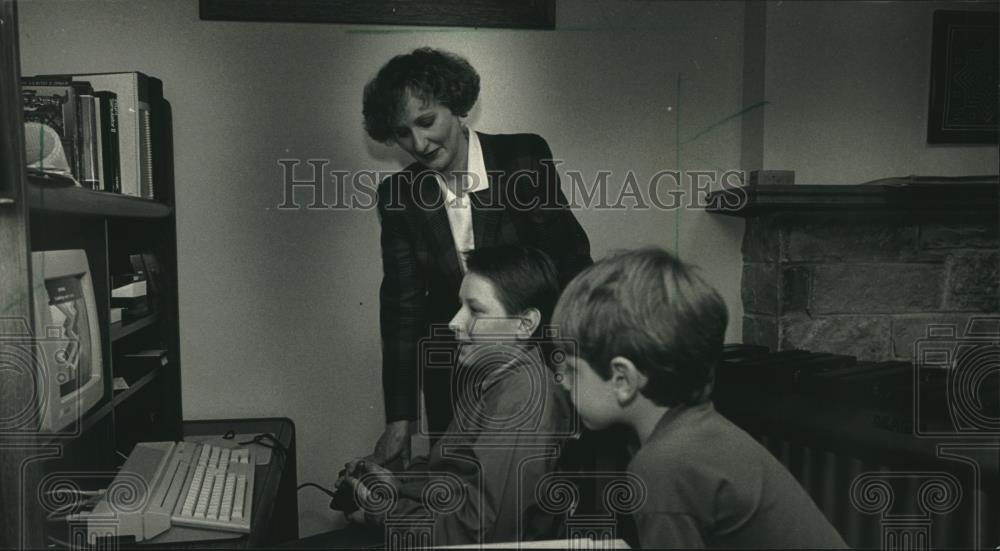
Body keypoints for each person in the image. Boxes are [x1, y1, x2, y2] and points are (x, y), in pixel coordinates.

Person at [361, 47, 592, 467]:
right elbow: (402, 306)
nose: (418, 143)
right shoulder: (397, 196)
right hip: (454, 369)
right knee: (457, 491)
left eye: (426, 121)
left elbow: (570, 262)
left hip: (536, 358)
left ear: (456, 105)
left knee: (533, 492)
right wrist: (400, 420)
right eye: (401, 132)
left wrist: (571, 363)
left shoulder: (523, 158)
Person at [551, 248, 848, 549]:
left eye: (572, 369)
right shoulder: (698, 432)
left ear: (622, 380)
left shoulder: (664, 464)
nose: (561, 380)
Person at [339, 245, 574, 545]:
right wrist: (399, 483)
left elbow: (481, 532)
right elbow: (457, 478)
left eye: (475, 310)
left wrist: (383, 514)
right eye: (460, 306)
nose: (454, 322)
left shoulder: (522, 401)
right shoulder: (495, 378)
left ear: (525, 324)